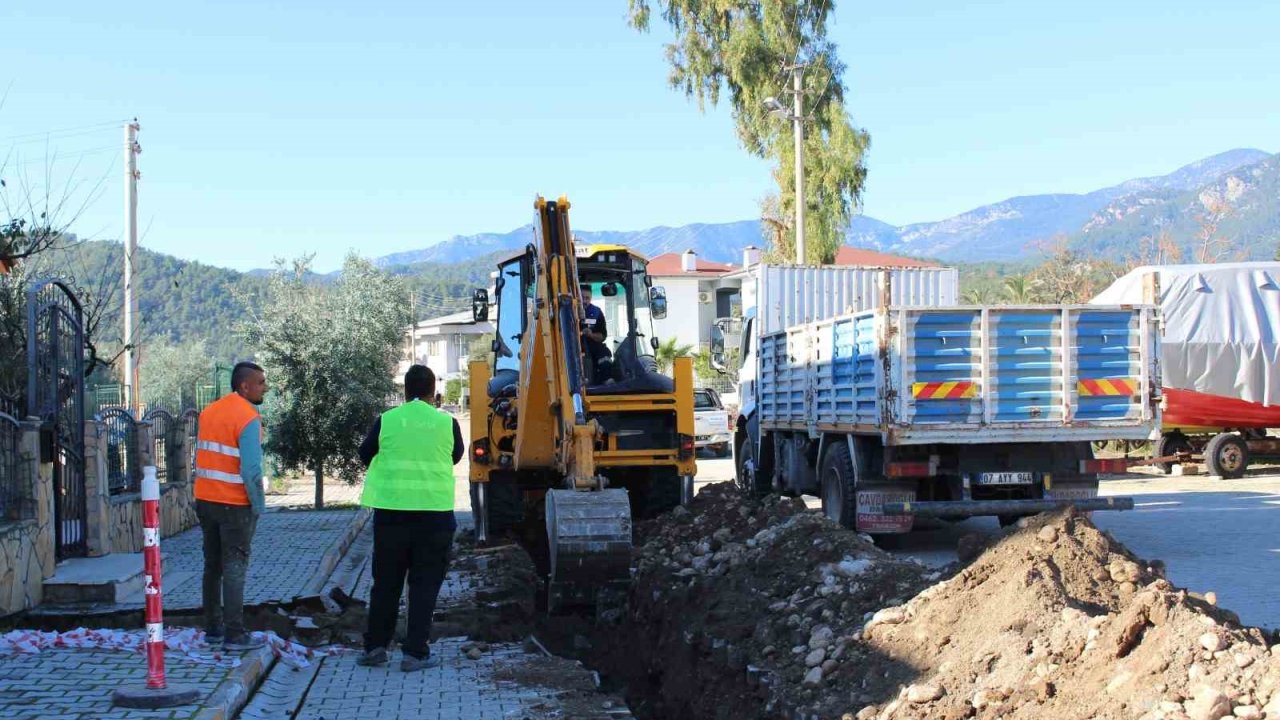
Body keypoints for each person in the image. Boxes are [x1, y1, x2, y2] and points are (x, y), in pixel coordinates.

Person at [356, 364, 464, 672]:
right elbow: (455, 456)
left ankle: (376, 647)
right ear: (433, 392)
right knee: (424, 586)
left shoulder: (387, 421)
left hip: (391, 517)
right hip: (434, 517)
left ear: (404, 391)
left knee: (386, 584)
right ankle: (415, 653)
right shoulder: (447, 423)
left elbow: (364, 455)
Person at [195, 361, 268, 651]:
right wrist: (259, 505)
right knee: (235, 567)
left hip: (206, 499)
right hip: (235, 504)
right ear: (244, 386)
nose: (265, 387)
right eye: (261, 382)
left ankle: (212, 628)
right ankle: (235, 633)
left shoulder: (208, 412)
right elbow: (251, 468)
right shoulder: (249, 417)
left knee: (212, 566)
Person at [580, 284, 613, 383]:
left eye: (587, 298)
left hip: (593, 346)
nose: (585, 301)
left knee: (604, 354)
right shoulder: (567, 311)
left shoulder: (597, 312)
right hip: (573, 347)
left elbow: (603, 335)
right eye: (582, 298)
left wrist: (591, 334)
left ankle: (607, 380)